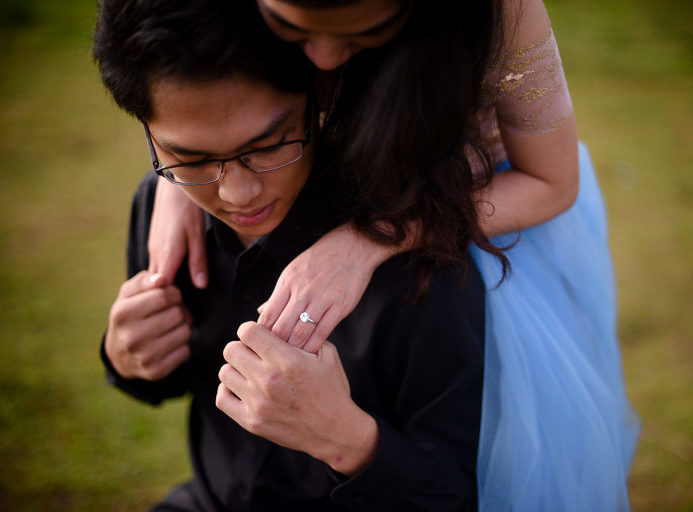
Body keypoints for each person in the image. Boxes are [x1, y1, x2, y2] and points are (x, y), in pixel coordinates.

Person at [141, 0, 640, 510]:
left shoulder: (502, 11)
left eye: (364, 31)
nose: (326, 59)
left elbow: (551, 182)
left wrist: (368, 240)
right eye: (292, 27)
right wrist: (178, 179)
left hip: (474, 213)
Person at [93, 0, 485, 510]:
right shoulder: (163, 201)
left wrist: (345, 438)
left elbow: (463, 494)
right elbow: (170, 378)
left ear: (319, 92)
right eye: (190, 159)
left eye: (269, 147)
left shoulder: (415, 259)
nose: (237, 194)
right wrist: (125, 359)